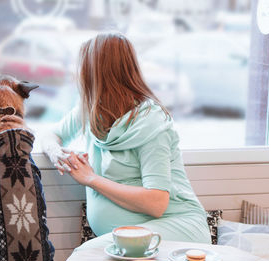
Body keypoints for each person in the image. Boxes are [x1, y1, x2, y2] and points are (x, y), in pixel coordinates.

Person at [42, 32, 211, 243]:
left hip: (176, 226)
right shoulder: (91, 109)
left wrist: (91, 179)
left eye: (83, 68)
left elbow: (156, 202)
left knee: (86, 255)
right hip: (132, 236)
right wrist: (56, 153)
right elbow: (51, 134)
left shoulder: (150, 123)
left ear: (98, 73)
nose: (78, 76)